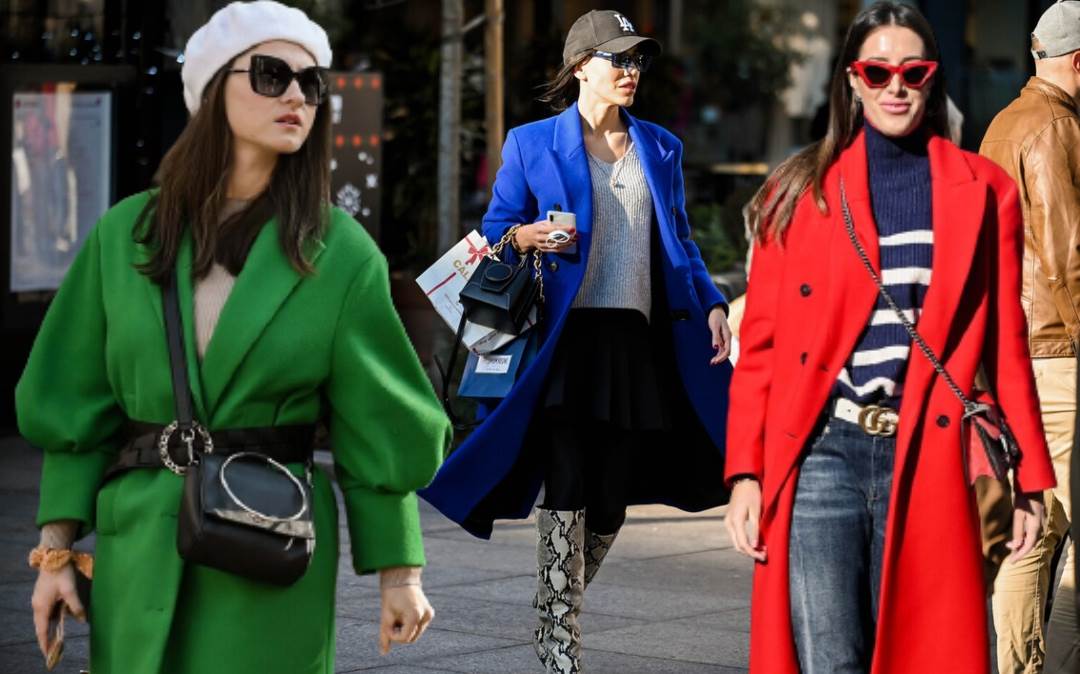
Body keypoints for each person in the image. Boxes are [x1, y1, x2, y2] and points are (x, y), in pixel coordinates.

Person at [16, 2, 451, 672]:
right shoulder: (124, 235)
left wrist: (401, 573)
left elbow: (381, 421)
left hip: (266, 548)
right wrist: (54, 554)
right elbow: (76, 404)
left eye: (313, 84)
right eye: (273, 75)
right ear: (213, 88)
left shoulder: (339, 253)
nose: (297, 96)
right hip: (139, 550)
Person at [724, 2, 1057, 672]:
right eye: (877, 72)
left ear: (933, 78)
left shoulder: (984, 191)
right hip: (821, 451)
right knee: (830, 659)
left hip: (928, 449)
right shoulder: (800, 191)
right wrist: (746, 474)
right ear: (853, 79)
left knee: (921, 652)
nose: (895, 87)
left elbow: (1005, 344)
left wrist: (1029, 479)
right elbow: (760, 347)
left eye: (913, 71)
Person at [420, 9, 733, 673]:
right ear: (581, 67)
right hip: (563, 343)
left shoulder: (661, 147)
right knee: (566, 483)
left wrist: (711, 303)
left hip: (634, 341)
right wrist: (524, 235)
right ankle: (560, 641)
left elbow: (680, 240)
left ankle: (553, 603)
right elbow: (498, 227)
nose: (631, 71)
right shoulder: (532, 143)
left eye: (636, 60)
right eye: (618, 59)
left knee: (612, 498)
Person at [979, 2, 1080, 671]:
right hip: (1061, 353)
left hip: (1019, 354)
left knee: (1034, 526)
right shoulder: (1057, 127)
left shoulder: (1005, 122)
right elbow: (1069, 258)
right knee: (1046, 528)